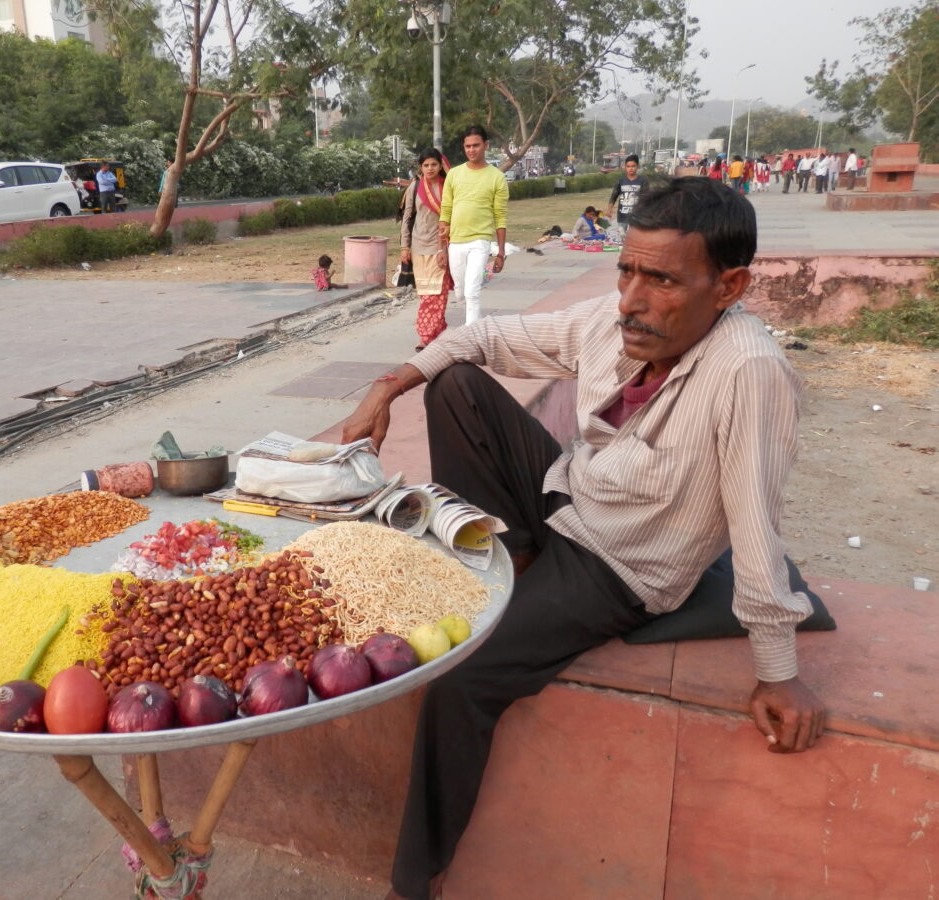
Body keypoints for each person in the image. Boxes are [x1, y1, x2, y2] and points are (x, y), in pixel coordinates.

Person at [341, 177, 825, 900]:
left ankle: (415, 881)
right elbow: (481, 336)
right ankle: (510, 566)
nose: (632, 298)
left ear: (729, 287)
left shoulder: (747, 372)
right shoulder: (617, 318)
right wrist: (387, 385)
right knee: (456, 386)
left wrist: (777, 669)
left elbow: (756, 523)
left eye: (661, 280)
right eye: (627, 269)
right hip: (567, 504)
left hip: (619, 565)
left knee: (464, 676)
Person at [439, 125, 508, 326]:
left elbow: (500, 217)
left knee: (472, 292)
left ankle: (473, 336)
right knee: (460, 292)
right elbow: (446, 209)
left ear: (485, 145)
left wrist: (501, 253)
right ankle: (471, 286)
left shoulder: (497, 177)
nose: (471, 150)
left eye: (476, 145)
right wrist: (442, 247)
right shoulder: (454, 174)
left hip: (480, 240)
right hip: (456, 242)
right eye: (468, 146)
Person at [400, 149, 454, 351]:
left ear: (441, 165)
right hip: (418, 246)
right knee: (425, 294)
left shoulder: (448, 186)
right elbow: (407, 218)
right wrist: (404, 246)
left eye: (433, 164)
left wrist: (445, 249)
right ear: (420, 167)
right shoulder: (415, 186)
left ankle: (426, 336)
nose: (430, 169)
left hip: (441, 246)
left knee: (437, 294)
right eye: (426, 165)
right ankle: (436, 332)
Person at [605, 154, 649, 232]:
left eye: (633, 166)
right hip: (622, 217)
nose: (630, 168)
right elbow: (614, 196)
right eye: (628, 166)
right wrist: (609, 209)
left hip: (637, 217)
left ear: (637, 166)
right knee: (622, 240)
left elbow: (646, 198)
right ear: (625, 167)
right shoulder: (621, 181)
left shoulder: (643, 181)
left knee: (635, 240)